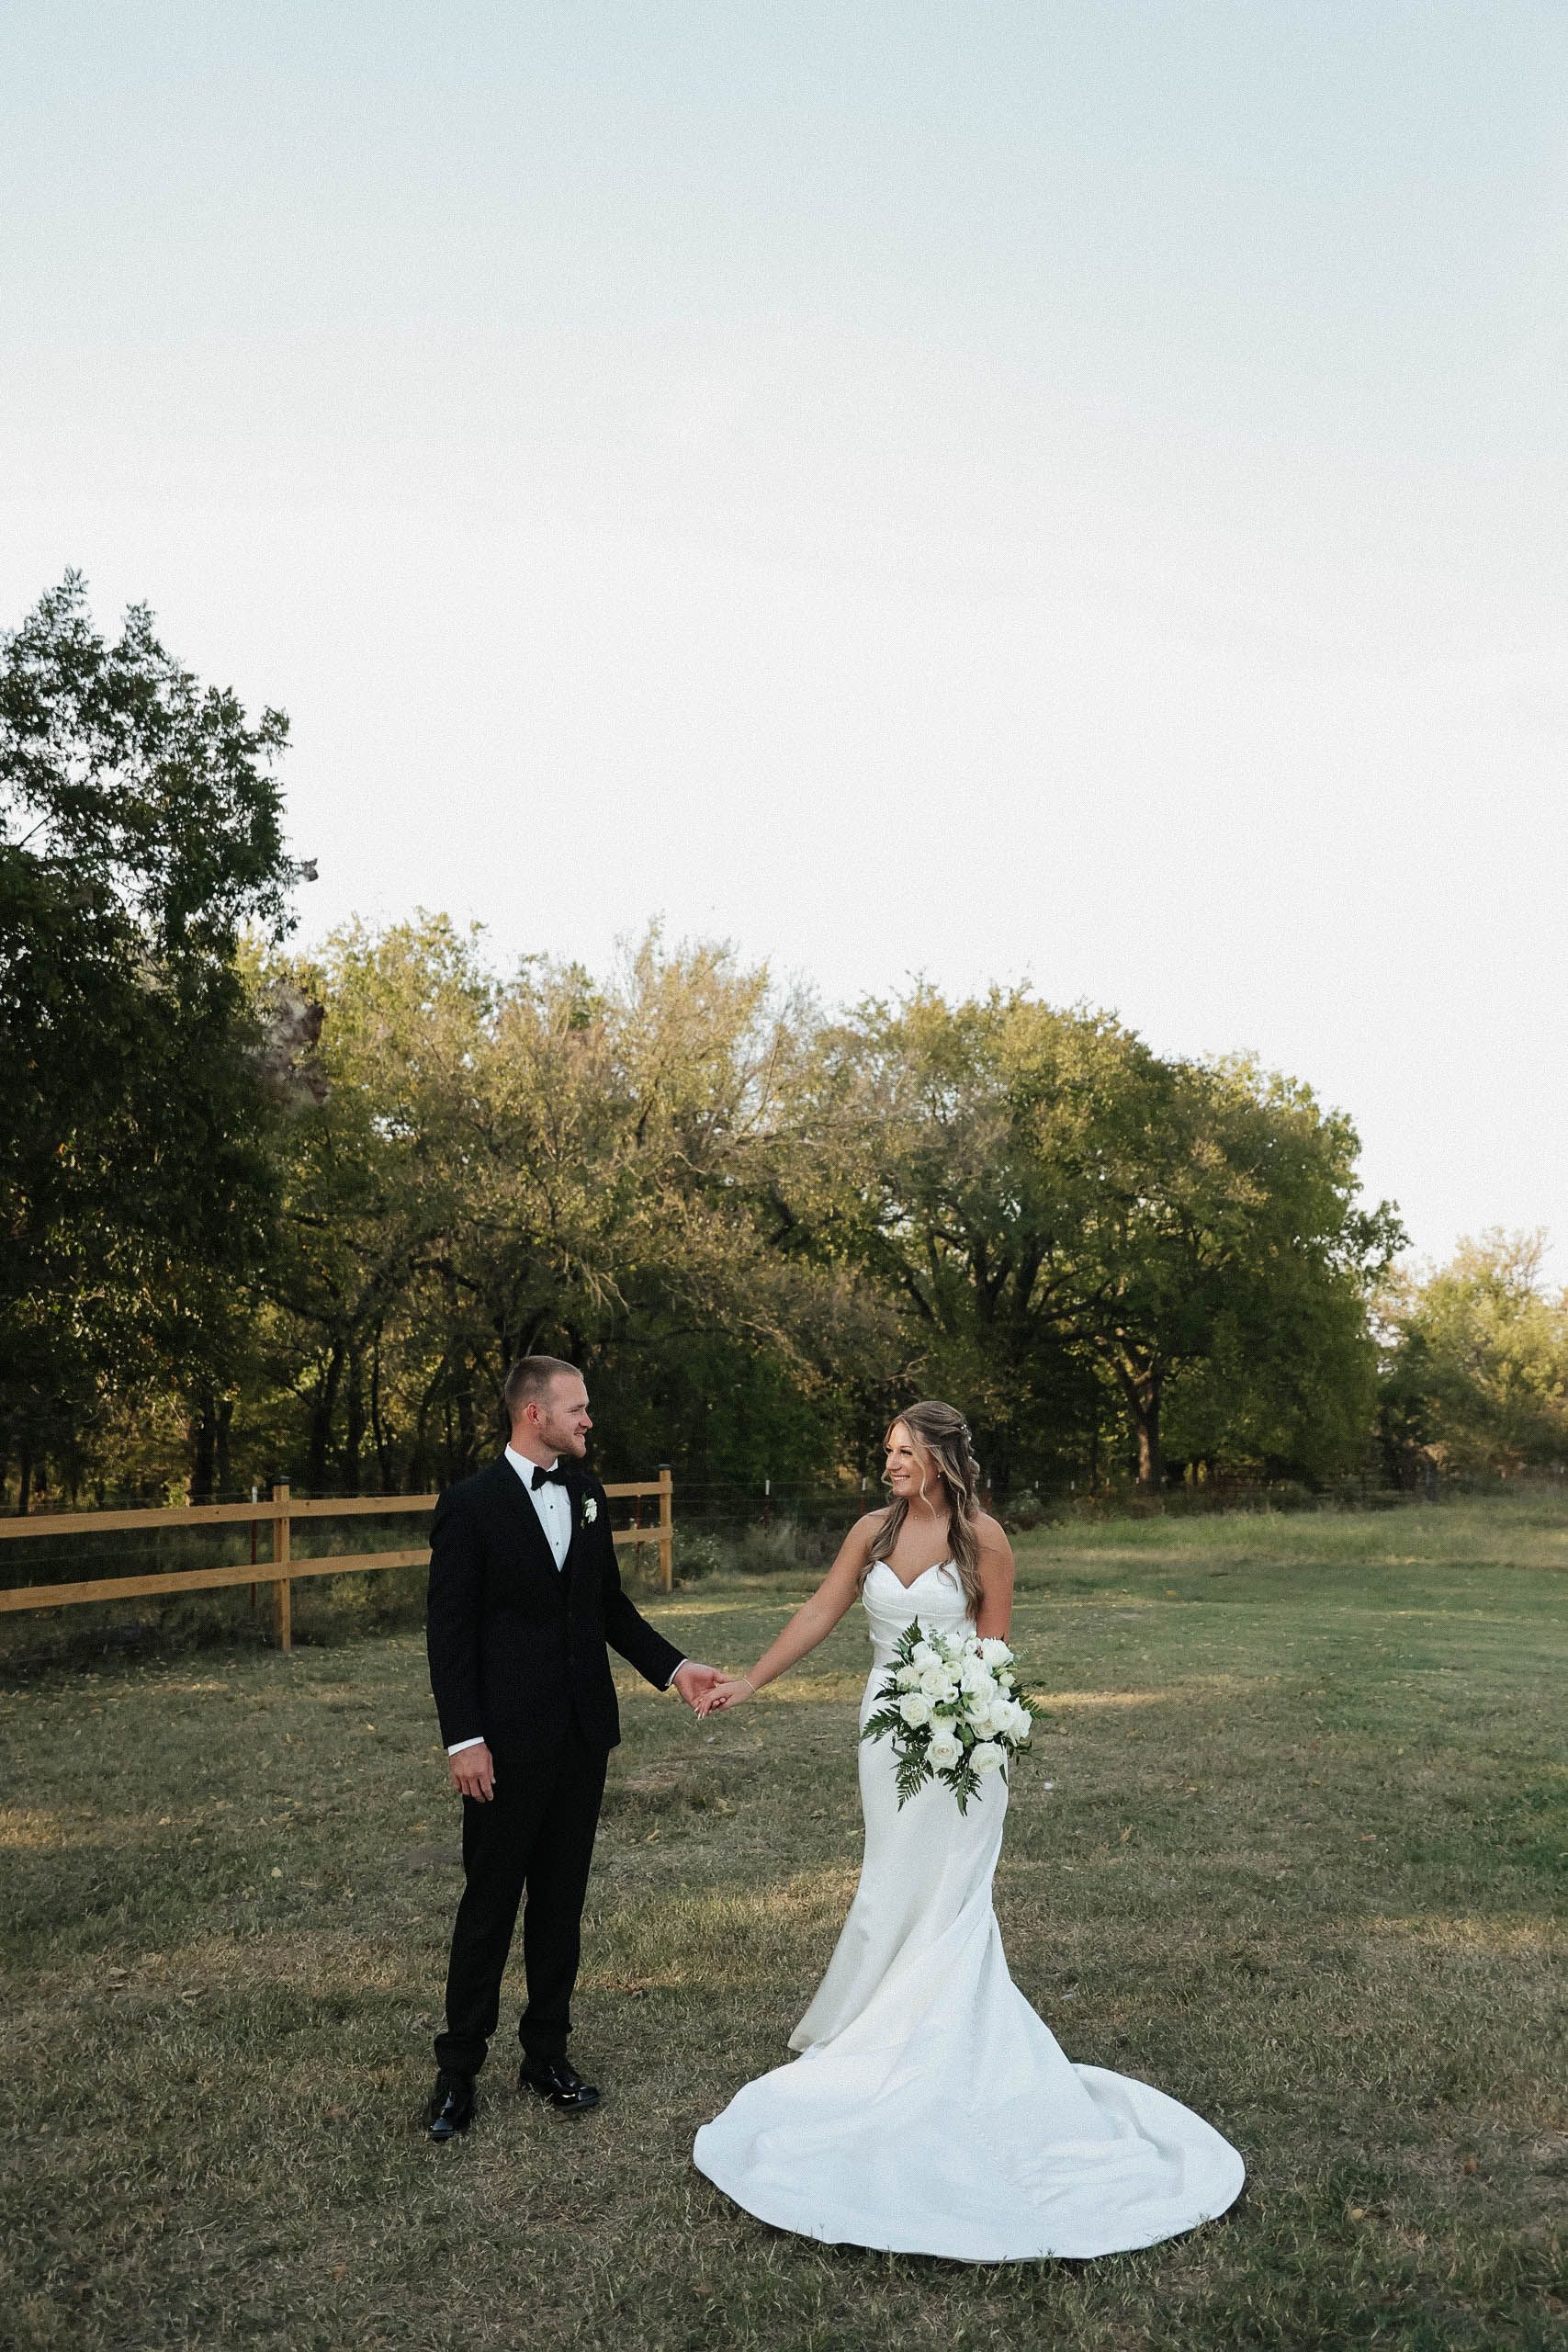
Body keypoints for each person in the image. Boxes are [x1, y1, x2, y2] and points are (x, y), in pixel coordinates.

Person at [692, 1400, 1245, 2260]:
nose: (889, 1465)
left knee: (951, 1889)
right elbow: (819, 1612)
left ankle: (939, 2034)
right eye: (886, 1452)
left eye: (903, 1452)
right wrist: (753, 1681)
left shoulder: (984, 1540)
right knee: (890, 1880)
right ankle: (871, 2028)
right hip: (886, 1728)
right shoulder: (870, 1533)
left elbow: (993, 1652)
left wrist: (976, 1723)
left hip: (965, 1739)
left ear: (942, 1459)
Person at [423, 1355, 722, 2140]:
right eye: (578, 1408)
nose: (589, 1420)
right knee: (488, 1906)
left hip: (581, 1738)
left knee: (561, 1904)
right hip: (502, 1746)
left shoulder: (587, 1496)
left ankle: (545, 2054)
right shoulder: (470, 1505)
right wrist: (465, 1740)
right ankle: (457, 2071)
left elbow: (608, 1609)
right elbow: (448, 1635)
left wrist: (675, 1668)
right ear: (534, 1414)